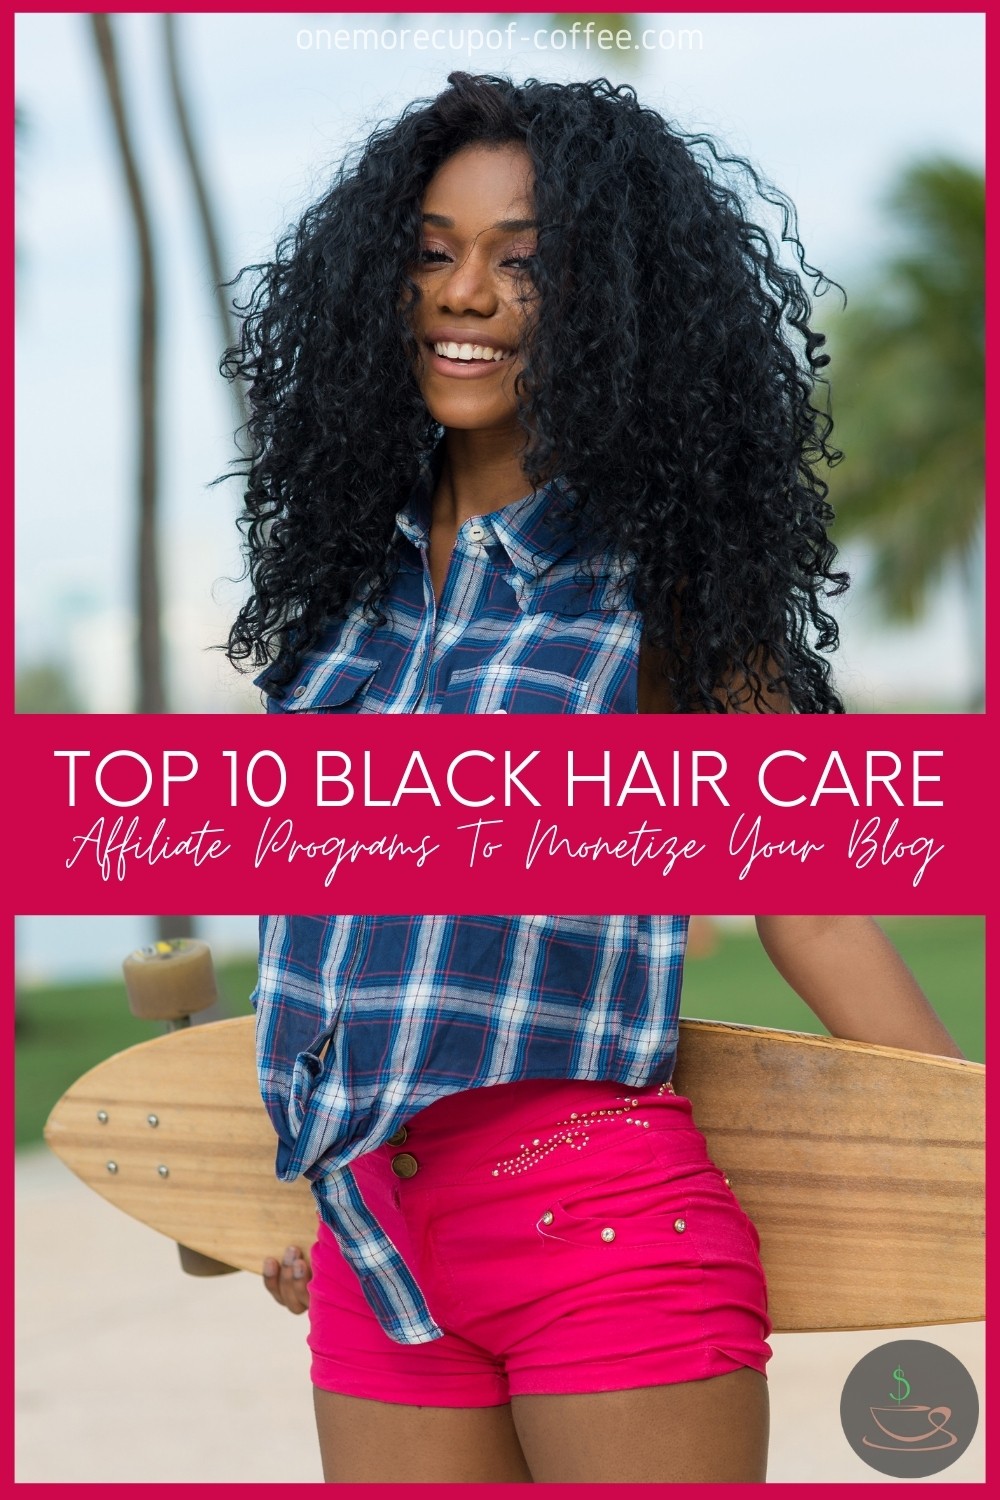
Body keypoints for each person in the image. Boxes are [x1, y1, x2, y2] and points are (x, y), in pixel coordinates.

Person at [219, 74, 962, 1482]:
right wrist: (305, 1165)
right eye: (433, 252)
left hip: (604, 1233)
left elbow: (810, 908)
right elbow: (316, 936)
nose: (470, 293)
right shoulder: (338, 599)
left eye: (526, 261)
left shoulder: (665, 591)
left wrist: (967, 1158)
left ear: (617, 305)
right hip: (376, 1251)